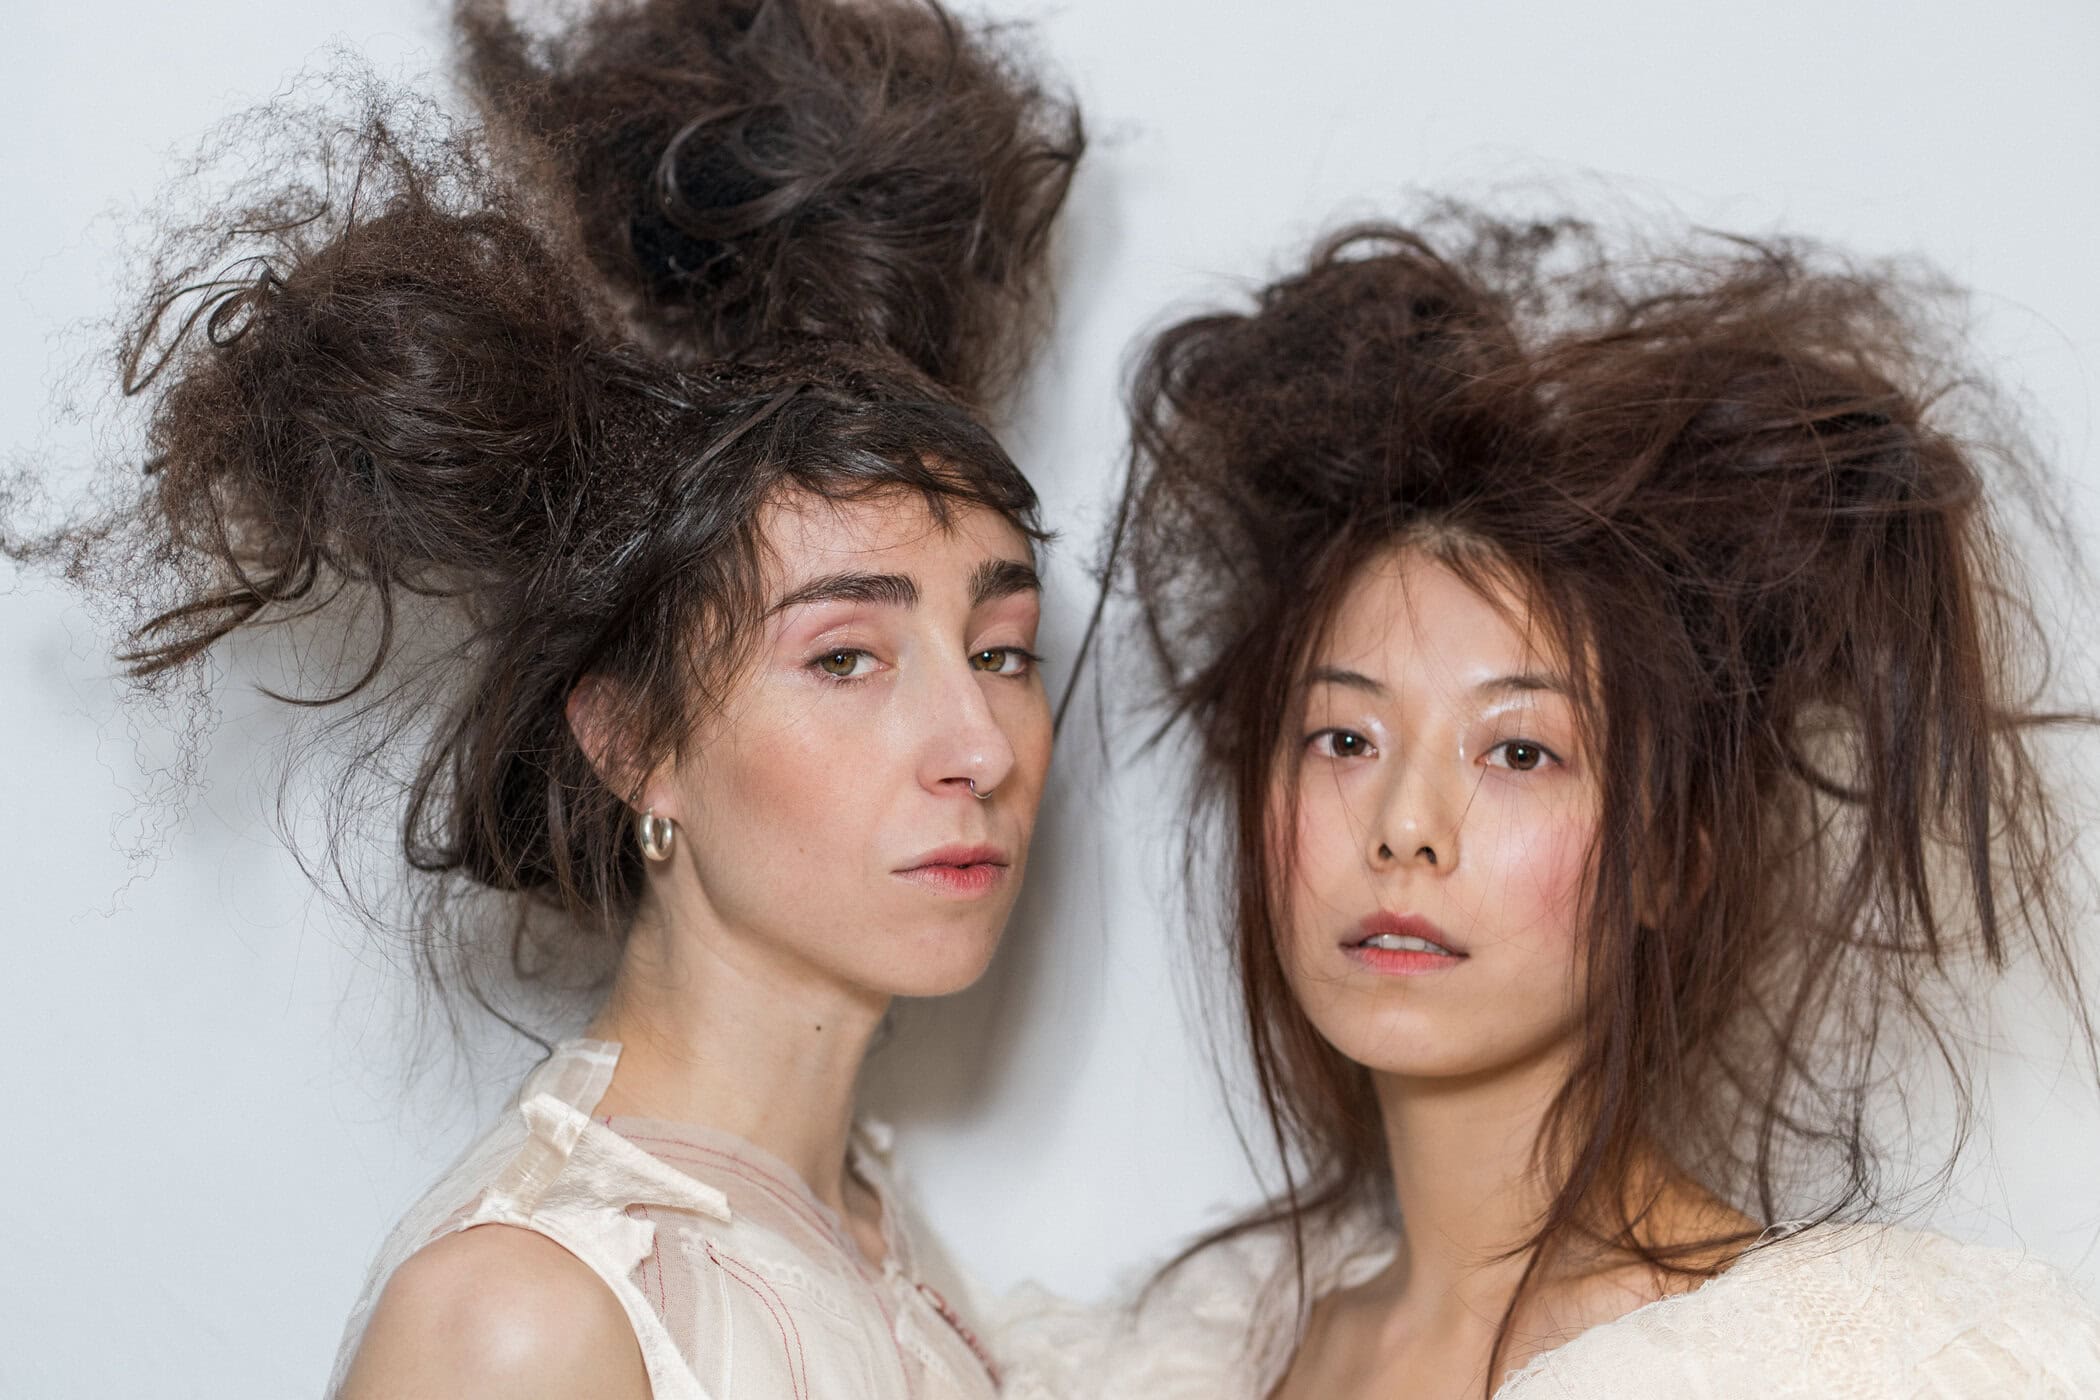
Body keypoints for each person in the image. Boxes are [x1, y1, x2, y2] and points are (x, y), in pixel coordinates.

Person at [3, 1, 1081, 1396]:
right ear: (634, 741)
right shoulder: (525, 1316)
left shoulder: (866, 1233)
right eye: (844, 658)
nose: (979, 746)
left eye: (1001, 649)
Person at [1018, 212, 2100, 1398]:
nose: (1405, 826)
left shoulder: (1852, 1367)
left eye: (1521, 751)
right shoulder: (1192, 1356)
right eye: (1345, 737)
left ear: (1670, 859)